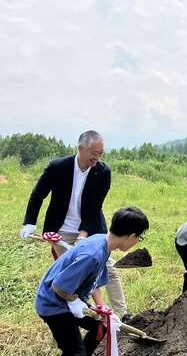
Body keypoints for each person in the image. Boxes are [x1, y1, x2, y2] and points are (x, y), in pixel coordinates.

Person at [20, 130, 128, 317]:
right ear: (80, 148)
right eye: (94, 152)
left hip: (91, 230)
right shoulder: (58, 167)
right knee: (75, 273)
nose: (97, 157)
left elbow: (95, 206)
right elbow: (38, 194)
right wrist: (29, 223)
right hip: (61, 231)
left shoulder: (102, 172)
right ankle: (83, 313)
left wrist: (83, 236)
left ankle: (122, 313)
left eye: (100, 153)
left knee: (107, 269)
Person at [36, 207, 149, 356]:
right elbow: (58, 286)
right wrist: (75, 302)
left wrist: (103, 310)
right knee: (75, 352)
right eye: (139, 238)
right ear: (131, 236)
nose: (137, 242)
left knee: (103, 325)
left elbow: (94, 282)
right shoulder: (93, 255)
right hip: (54, 305)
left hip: (69, 300)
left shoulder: (103, 243)